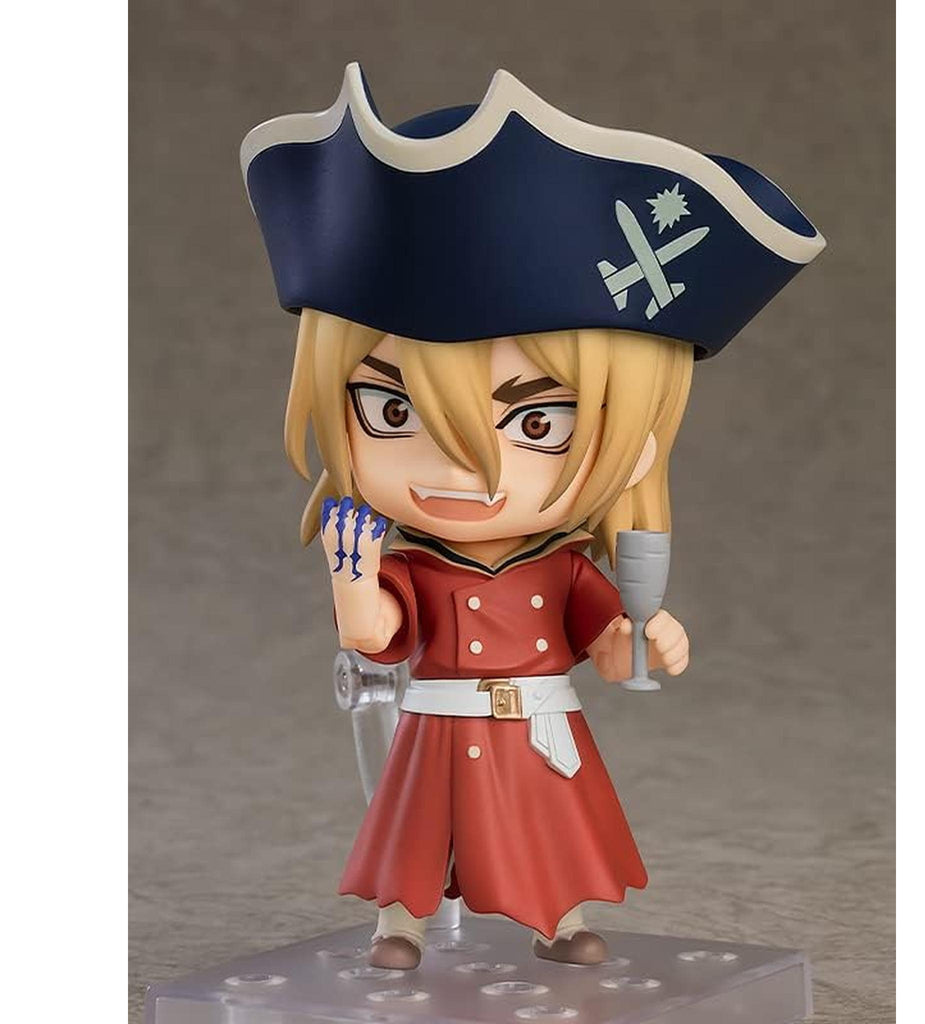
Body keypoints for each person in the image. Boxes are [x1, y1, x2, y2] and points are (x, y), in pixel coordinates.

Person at [241, 62, 824, 969]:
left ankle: (558, 921)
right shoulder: (414, 563)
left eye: (538, 423)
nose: (456, 468)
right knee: (415, 839)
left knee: (547, 833)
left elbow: (611, 647)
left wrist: (644, 633)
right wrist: (353, 583)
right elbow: (377, 638)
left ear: (632, 443)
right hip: (437, 727)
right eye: (390, 411)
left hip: (536, 731)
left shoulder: (564, 570)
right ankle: (401, 925)